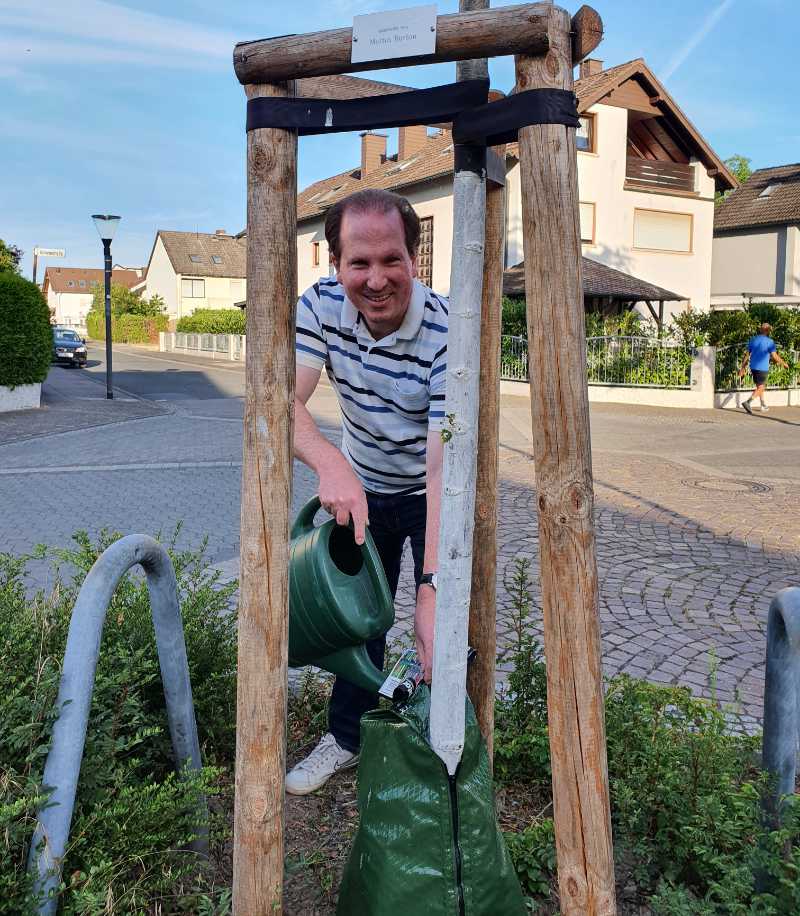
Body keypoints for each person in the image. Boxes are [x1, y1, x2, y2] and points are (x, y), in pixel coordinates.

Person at [286, 189, 447, 795]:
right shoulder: (320, 307)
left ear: (414, 259)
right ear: (336, 265)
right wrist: (329, 462)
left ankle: (443, 741)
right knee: (358, 622)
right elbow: (283, 400)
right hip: (360, 488)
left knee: (445, 621)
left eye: (391, 260)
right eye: (360, 263)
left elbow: (440, 470)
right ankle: (347, 738)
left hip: (431, 492)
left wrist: (429, 592)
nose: (376, 280)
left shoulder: (447, 331)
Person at [738, 323, 789, 414]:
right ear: (767, 331)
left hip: (753, 367)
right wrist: (783, 363)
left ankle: (763, 405)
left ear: (761, 330)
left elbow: (747, 355)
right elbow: (774, 356)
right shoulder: (770, 342)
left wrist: (742, 367)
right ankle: (748, 402)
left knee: (759, 386)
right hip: (762, 367)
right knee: (761, 388)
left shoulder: (753, 339)